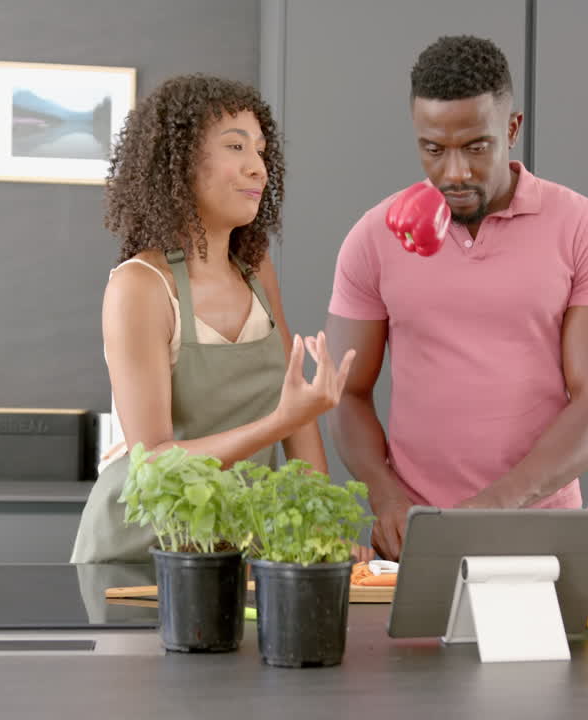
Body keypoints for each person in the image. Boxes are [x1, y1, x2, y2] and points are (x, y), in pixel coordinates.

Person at [325, 36, 588, 561]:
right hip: (414, 536)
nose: (454, 173)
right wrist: (386, 496)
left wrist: (489, 510)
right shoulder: (373, 236)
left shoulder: (586, 228)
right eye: (433, 149)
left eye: (476, 146)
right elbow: (346, 392)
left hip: (540, 534)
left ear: (512, 129)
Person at [72, 74, 357, 563]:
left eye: (262, 151)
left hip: (236, 545)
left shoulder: (256, 272)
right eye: (235, 146)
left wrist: (323, 530)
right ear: (178, 163)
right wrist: (281, 420)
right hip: (142, 552)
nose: (258, 169)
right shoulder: (140, 286)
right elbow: (153, 463)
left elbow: (296, 417)